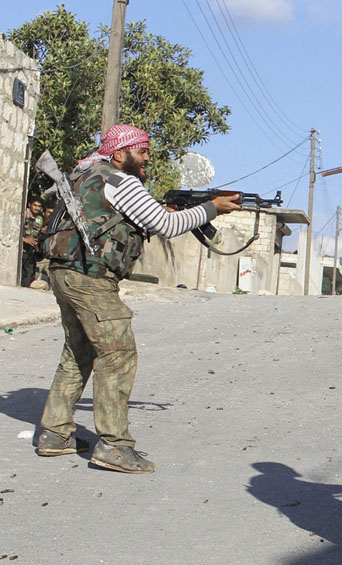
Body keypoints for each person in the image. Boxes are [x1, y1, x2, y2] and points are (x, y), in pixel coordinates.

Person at [35, 123, 240, 473]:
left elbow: (128, 220)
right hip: (89, 278)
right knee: (118, 355)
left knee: (79, 351)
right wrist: (211, 208)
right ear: (120, 154)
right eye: (141, 150)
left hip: (64, 272)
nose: (147, 156)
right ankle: (114, 446)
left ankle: (55, 433)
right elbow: (167, 226)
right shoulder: (120, 180)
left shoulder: (88, 175)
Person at [20, 197, 44, 287]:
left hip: (31, 253)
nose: (37, 208)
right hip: (20, 251)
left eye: (39, 206)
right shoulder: (23, 214)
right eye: (35, 205)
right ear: (30, 205)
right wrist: (24, 239)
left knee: (28, 278)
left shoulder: (39, 218)